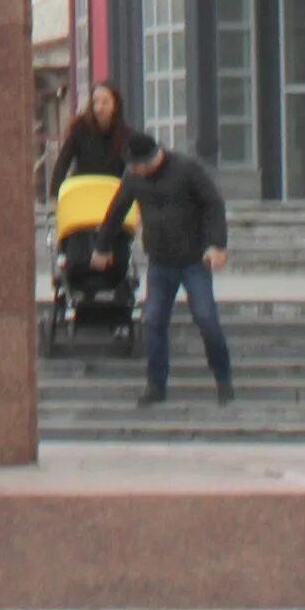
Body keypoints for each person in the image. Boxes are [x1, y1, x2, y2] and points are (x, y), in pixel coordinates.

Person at [96, 129, 235, 409]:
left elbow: (214, 204)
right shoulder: (134, 177)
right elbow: (116, 210)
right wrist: (102, 247)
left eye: (138, 166)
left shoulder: (186, 169)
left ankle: (223, 380)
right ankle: (156, 385)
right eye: (132, 167)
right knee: (154, 321)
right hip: (160, 262)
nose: (135, 171)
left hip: (193, 260)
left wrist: (217, 245)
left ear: (152, 157)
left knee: (207, 319)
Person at [48, 80, 132, 191]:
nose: (99, 108)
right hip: (83, 191)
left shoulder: (125, 135)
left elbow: (133, 169)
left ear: (115, 105)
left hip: (112, 195)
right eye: (95, 102)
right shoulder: (79, 129)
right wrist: (56, 194)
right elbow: (63, 162)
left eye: (105, 102)